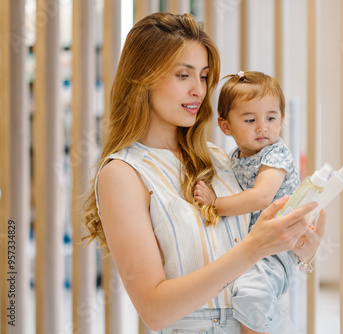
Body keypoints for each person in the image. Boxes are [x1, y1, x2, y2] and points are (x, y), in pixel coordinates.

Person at [82, 12, 326, 333]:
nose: (199, 89)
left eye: (204, 76)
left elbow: (262, 258)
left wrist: (303, 246)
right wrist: (253, 247)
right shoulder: (122, 173)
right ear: (143, 78)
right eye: (183, 75)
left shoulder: (218, 157)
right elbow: (154, 311)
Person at [194, 71, 307, 334]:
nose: (262, 127)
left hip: (278, 244)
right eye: (249, 119)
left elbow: (261, 197)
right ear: (226, 126)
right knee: (239, 287)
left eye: (271, 118)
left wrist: (215, 203)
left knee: (253, 292)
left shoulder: (276, 154)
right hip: (257, 244)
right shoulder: (234, 157)